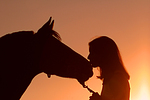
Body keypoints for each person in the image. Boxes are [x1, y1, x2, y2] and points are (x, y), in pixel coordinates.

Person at [88, 36, 130, 100]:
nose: (88, 57)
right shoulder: (112, 78)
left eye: (92, 53)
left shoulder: (118, 78)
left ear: (102, 54)